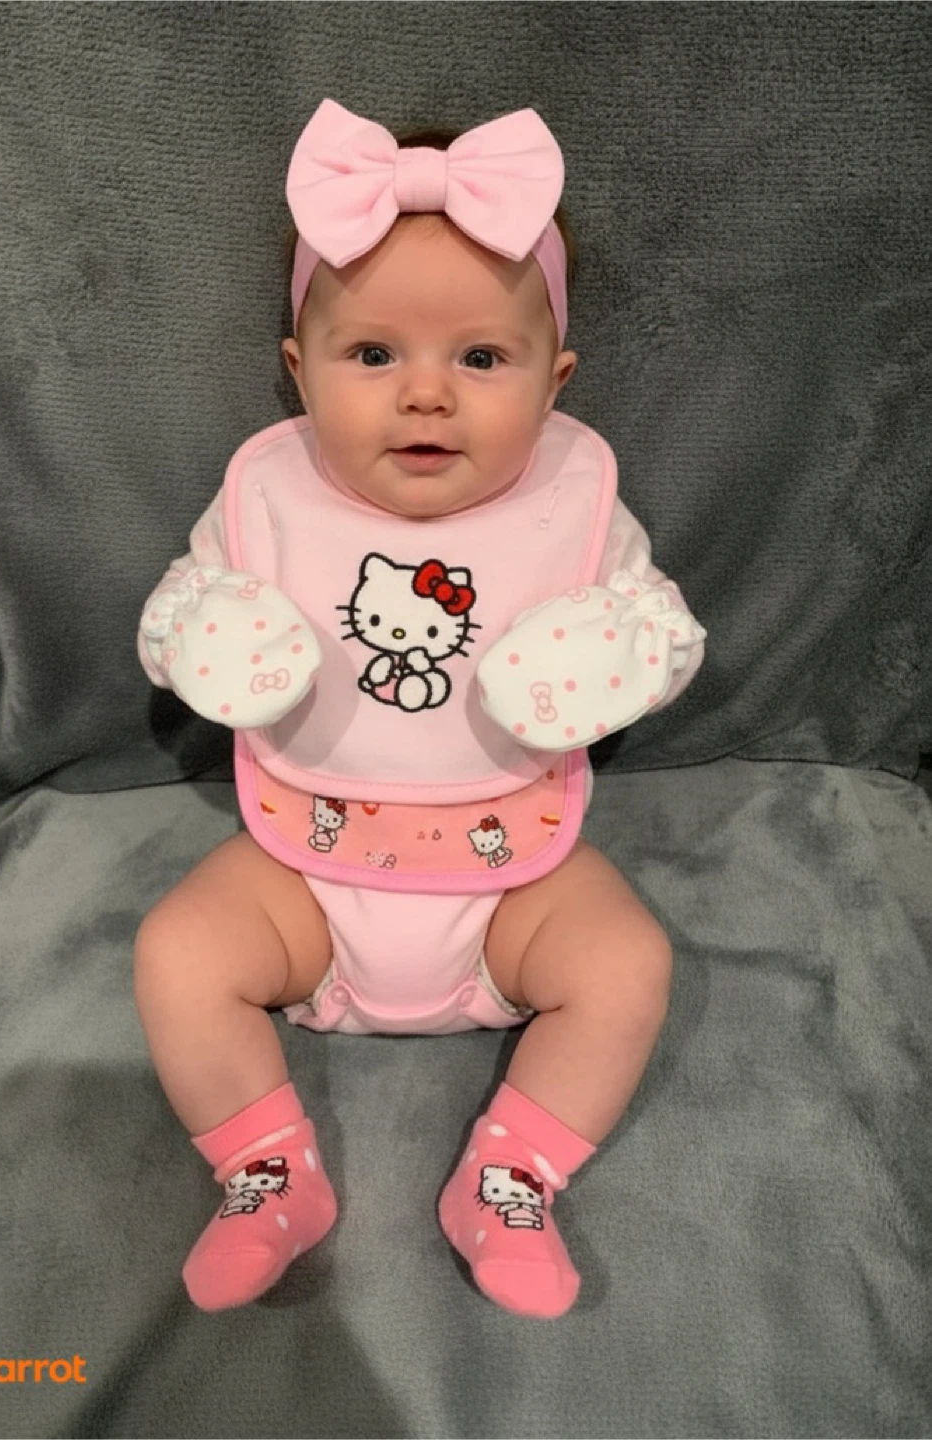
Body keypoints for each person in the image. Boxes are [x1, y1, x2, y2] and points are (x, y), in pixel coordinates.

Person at [134, 98, 707, 1320]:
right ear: (300, 372)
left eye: (482, 359)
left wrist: (620, 648)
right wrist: (206, 633)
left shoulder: (576, 499)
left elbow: (662, 628)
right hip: (305, 880)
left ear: (555, 383)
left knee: (626, 962)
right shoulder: (269, 493)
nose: (427, 396)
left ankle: (512, 1178)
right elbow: (182, 602)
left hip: (512, 886)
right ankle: (265, 1175)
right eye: (374, 356)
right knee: (179, 950)